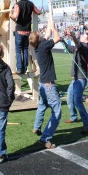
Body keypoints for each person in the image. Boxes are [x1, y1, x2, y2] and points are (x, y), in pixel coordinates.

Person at [29, 20, 62, 149]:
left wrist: (49, 20)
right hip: (48, 85)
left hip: (43, 84)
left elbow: (46, 35)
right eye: (39, 33)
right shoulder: (43, 46)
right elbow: (57, 38)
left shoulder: (39, 45)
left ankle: (37, 127)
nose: (41, 33)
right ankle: (45, 138)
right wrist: (54, 27)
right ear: (39, 38)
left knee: (42, 106)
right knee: (57, 112)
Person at [61, 28, 88, 134]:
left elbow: (78, 44)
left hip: (80, 79)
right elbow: (70, 48)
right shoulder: (78, 47)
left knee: (77, 101)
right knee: (69, 99)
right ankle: (73, 117)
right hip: (75, 79)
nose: (82, 35)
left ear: (87, 40)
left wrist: (72, 36)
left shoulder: (85, 47)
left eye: (84, 35)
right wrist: (62, 40)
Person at [10, 0, 40, 74]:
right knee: (25, 49)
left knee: (18, 50)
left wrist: (10, 14)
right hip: (28, 31)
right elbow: (37, 12)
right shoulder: (31, 4)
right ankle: (25, 67)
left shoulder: (17, 4)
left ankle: (19, 68)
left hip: (19, 30)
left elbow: (15, 16)